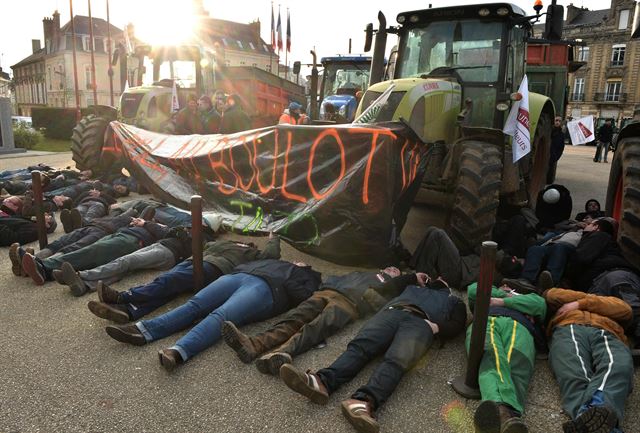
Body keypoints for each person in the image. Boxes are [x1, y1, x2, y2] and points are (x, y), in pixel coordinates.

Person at [279, 274, 466, 433]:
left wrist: (438, 327)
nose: (438, 279)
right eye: (436, 277)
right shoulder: (411, 286)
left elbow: (459, 324)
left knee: (397, 360)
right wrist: (412, 277)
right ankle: (322, 382)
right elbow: (386, 288)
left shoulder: (454, 300)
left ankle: (362, 402)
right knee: (360, 347)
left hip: (421, 321)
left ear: (449, 286)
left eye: (443, 279)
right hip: (391, 313)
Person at [104, 259, 321, 372]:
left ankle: (178, 352)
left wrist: (297, 273)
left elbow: (302, 295)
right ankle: (143, 331)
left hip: (267, 289)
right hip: (239, 276)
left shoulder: (308, 275)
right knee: (195, 305)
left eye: (301, 262)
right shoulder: (276, 260)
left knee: (221, 315)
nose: (297, 261)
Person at [221, 267, 402, 375]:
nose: (393, 270)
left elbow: (382, 305)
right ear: (384, 268)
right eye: (391, 268)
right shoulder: (361, 273)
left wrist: (369, 296)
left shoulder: (392, 287)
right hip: (326, 292)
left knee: (316, 328)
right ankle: (253, 345)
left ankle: (280, 354)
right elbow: (336, 278)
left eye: (397, 271)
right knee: (294, 318)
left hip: (349, 304)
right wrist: (326, 285)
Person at [86, 235, 281, 323]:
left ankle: (122, 297)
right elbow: (203, 241)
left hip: (214, 267)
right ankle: (129, 312)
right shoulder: (222, 242)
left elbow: (272, 255)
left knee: (169, 281)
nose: (247, 243)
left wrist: (274, 238)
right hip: (193, 259)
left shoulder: (250, 254)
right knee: (169, 286)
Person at [545, 287, 633, 432]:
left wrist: (578, 303)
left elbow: (625, 310)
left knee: (618, 366)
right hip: (568, 327)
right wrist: (595, 302)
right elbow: (551, 294)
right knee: (572, 373)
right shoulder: (603, 303)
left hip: (607, 331)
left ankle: (591, 413)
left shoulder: (613, 301)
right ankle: (604, 421)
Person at [469, 282, 547, 433]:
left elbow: (540, 304)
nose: (506, 287)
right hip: (488, 320)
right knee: (492, 356)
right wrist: (507, 297)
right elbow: (473, 290)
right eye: (503, 285)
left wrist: (502, 301)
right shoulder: (490, 290)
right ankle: (506, 416)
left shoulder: (529, 297)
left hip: (520, 327)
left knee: (515, 366)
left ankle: (499, 415)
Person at [20, 217, 171, 288]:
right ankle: (47, 270)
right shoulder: (146, 224)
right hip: (122, 235)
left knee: (92, 251)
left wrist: (146, 223)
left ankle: (45, 267)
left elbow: (165, 232)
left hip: (133, 241)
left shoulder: (164, 228)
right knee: (90, 254)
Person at [57, 225, 193, 296]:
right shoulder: (182, 230)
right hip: (159, 245)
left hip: (168, 254)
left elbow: (191, 253)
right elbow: (165, 233)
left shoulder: (201, 238)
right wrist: (173, 231)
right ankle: (85, 286)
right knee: (126, 267)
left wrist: (186, 237)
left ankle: (82, 274)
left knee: (126, 261)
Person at [548, 116, 565, 183]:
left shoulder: (561, 135)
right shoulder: (549, 131)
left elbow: (561, 148)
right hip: (545, 154)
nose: (557, 122)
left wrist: (556, 157)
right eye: (556, 120)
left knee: (550, 171)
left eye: (559, 121)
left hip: (553, 157)